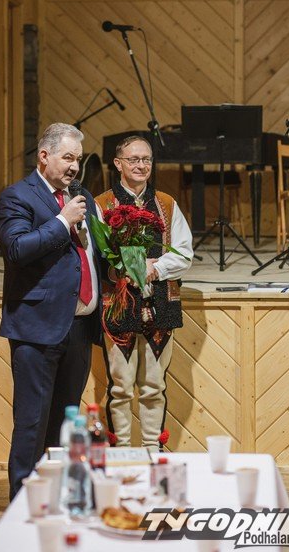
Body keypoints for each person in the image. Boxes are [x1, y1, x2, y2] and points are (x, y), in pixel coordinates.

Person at [0, 123, 103, 499]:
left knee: (65, 422)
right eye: (67, 158)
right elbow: (17, 249)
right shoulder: (17, 196)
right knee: (33, 422)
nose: (75, 166)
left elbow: (90, 253)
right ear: (44, 156)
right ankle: (22, 504)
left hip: (79, 327)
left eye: (78, 159)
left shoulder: (81, 196)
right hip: (37, 328)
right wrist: (62, 222)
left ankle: (56, 497)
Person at [95, 135, 193, 452]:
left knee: (154, 386)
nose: (141, 165)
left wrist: (155, 268)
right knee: (121, 387)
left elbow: (184, 254)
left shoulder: (166, 203)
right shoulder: (102, 204)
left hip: (160, 302)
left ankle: (153, 450)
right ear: (118, 163)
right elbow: (94, 255)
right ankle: (121, 452)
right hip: (119, 304)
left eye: (146, 159)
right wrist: (122, 268)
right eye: (134, 159)